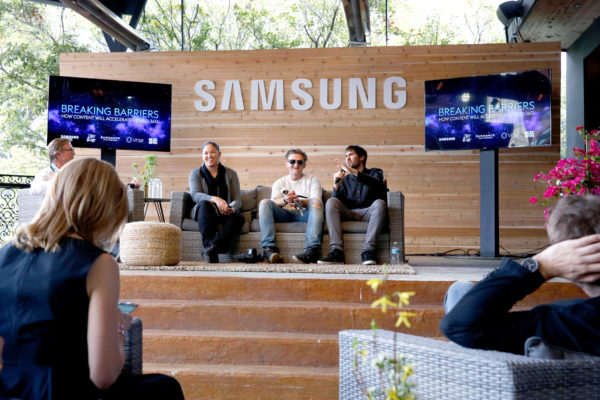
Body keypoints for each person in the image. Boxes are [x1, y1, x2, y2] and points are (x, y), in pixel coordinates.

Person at [0, 158, 184, 399]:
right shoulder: (99, 263)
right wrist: (117, 326)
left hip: (8, 390)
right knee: (166, 388)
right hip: (61, 389)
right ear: (105, 209)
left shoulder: (4, 253)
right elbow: (103, 375)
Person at [440, 195, 600, 356]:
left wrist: (542, 265)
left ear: (571, 260)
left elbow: (459, 326)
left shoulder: (570, 322)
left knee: (461, 294)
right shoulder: (576, 318)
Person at [318, 145, 388, 265]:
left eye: (350, 154)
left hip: (369, 212)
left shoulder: (375, 172)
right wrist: (336, 185)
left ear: (362, 157)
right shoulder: (345, 179)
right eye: (345, 156)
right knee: (331, 201)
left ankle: (368, 251)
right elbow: (334, 206)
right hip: (349, 212)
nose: (347, 158)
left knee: (380, 204)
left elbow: (376, 184)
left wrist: (353, 172)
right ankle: (337, 252)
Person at [259, 149, 323, 263]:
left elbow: (316, 199)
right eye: (292, 161)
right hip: (284, 214)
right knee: (264, 203)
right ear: (287, 164)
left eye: (300, 162)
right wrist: (285, 200)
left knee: (316, 202)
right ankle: (269, 249)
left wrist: (301, 202)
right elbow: (274, 201)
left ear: (304, 165)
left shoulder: (313, 180)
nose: (296, 165)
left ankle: (312, 250)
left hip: (305, 214)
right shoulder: (279, 182)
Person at [190, 141, 244, 263]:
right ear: (202, 155)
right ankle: (212, 248)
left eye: (213, 152)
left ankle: (211, 249)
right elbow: (195, 195)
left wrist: (231, 207)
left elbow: (238, 199)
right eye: (206, 153)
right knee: (204, 204)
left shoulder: (231, 174)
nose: (209, 156)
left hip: (225, 212)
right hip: (205, 212)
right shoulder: (196, 173)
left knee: (239, 218)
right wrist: (215, 199)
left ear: (219, 154)